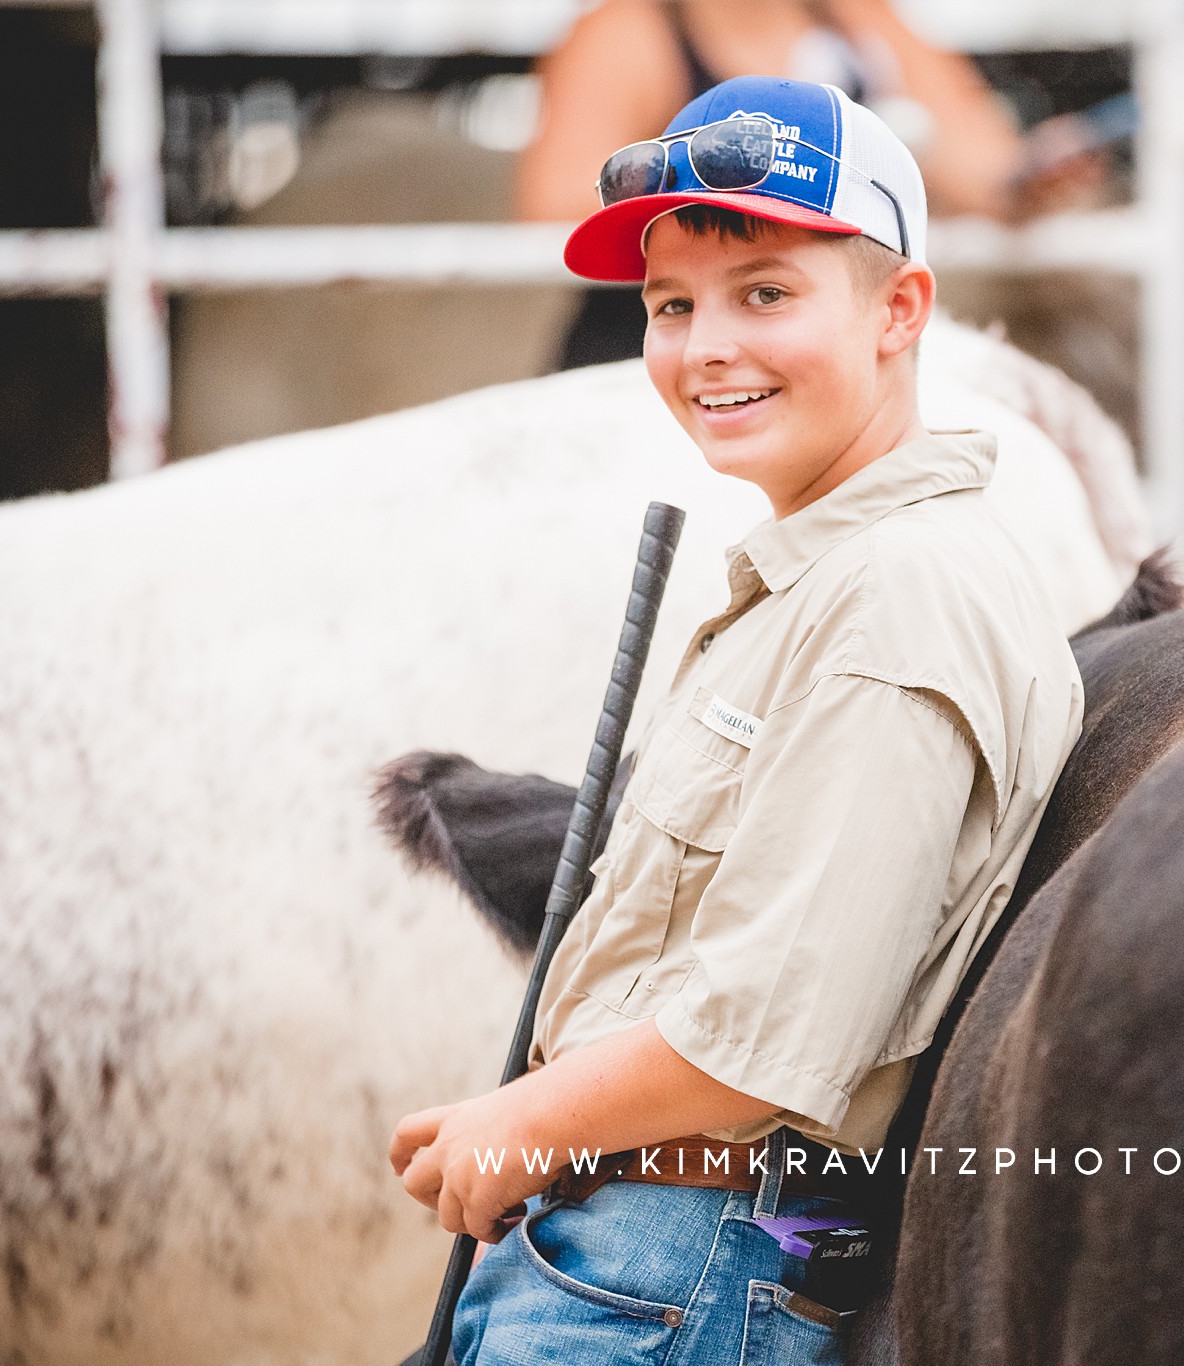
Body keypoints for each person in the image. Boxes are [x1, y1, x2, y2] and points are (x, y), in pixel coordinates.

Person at [389, 75, 1086, 1363]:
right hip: (634, 1244)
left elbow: (759, 1043)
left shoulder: (896, 598)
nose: (706, 345)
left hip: (684, 1262)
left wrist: (524, 1122)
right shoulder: (818, 576)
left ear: (899, 309)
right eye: (671, 305)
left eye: (764, 292)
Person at [519, 0, 1095, 370]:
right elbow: (558, 199)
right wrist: (731, 173)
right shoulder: (627, 31)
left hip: (827, 359)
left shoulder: (864, 23)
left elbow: (982, 167)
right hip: (660, 359)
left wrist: (1031, 179)